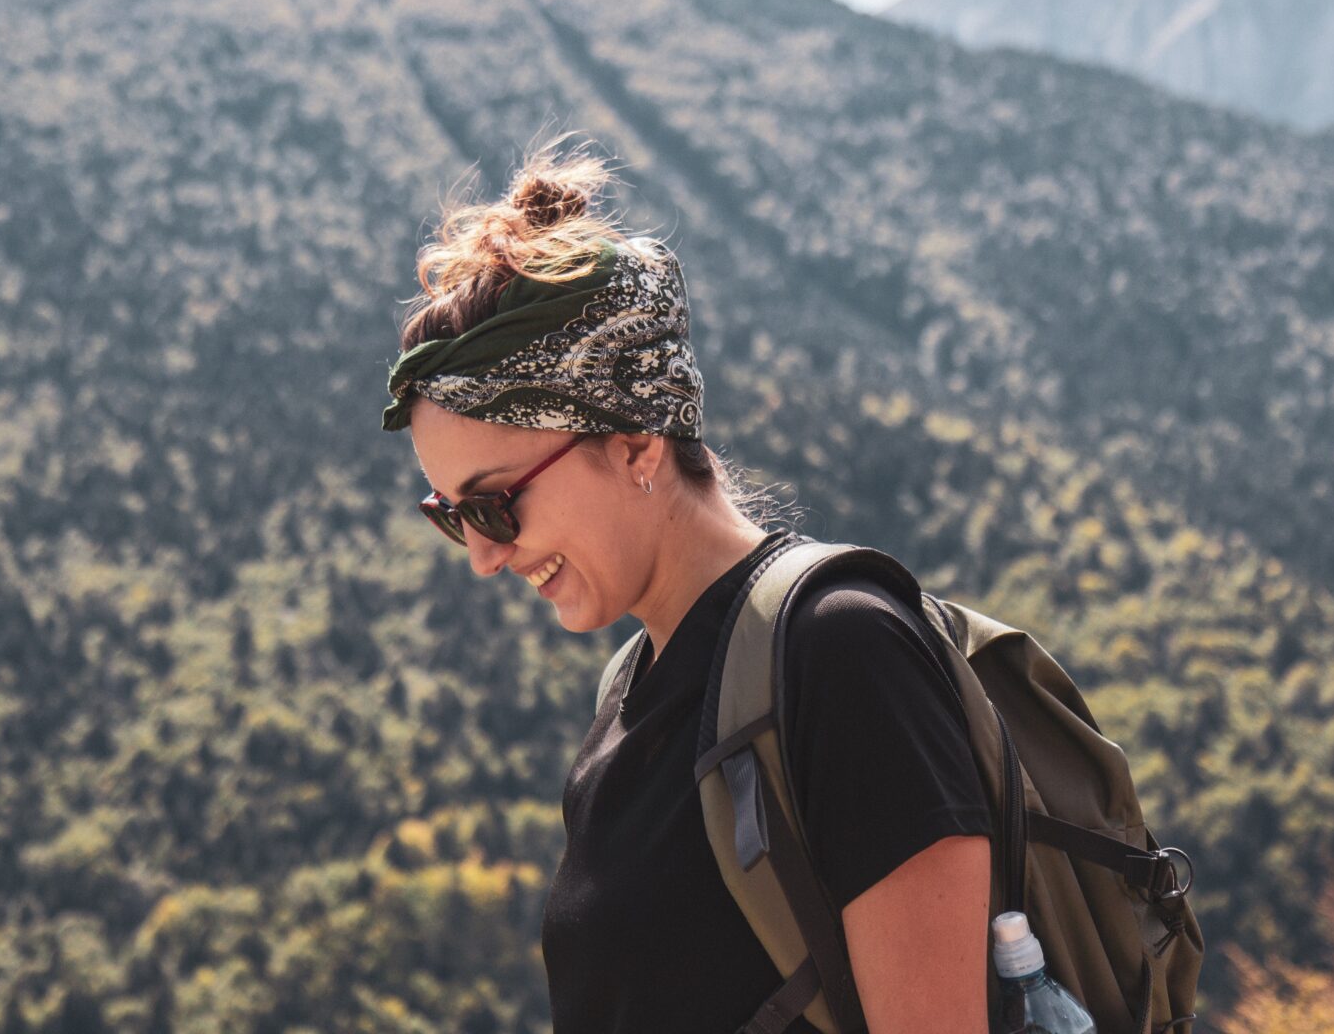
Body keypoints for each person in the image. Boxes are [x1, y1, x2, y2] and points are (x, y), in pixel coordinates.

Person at [381, 138, 993, 1034]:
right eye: (453, 516)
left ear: (636, 443)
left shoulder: (841, 652)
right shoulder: (627, 697)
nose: (482, 555)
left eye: (497, 506)